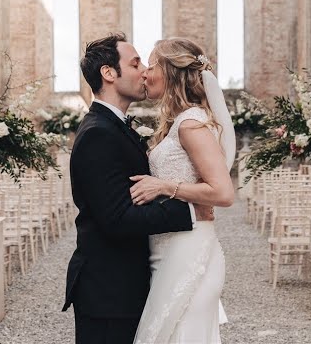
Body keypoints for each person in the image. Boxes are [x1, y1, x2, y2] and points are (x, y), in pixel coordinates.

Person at [63, 33, 194, 344]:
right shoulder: (98, 134)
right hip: (109, 293)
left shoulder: (114, 126)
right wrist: (186, 208)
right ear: (109, 73)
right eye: (135, 64)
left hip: (124, 286)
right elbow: (117, 219)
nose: (144, 72)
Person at [127, 38, 237, 344]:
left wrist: (163, 186)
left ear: (171, 72)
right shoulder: (180, 122)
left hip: (190, 248)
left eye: (151, 66)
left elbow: (223, 193)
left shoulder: (191, 124)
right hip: (168, 248)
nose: (146, 74)